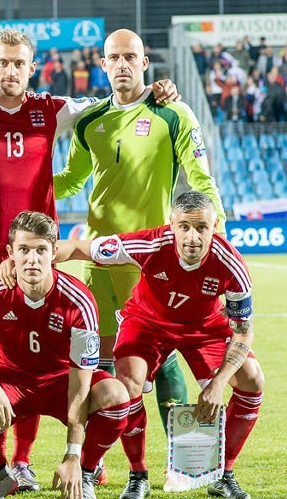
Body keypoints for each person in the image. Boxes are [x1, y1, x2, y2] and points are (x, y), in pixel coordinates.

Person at [0, 28, 176, 492]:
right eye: (3, 62)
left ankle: (23, 462)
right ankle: (2, 468)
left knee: (39, 349)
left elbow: (115, 104)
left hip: (39, 251)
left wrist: (155, 93)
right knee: (0, 357)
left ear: (30, 67)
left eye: (19, 63)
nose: (11, 70)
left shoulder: (51, 110)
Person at [54, 28, 226, 442]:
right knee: (105, 360)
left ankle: (183, 458)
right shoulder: (90, 120)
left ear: (145, 63)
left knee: (161, 361)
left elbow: (201, 178)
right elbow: (70, 181)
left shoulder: (174, 114)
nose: (122, 64)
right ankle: (100, 461)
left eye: (131, 57)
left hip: (150, 257)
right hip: (98, 254)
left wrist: (215, 234)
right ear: (103, 65)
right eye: (114, 57)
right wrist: (7, 181)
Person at [53, 190, 264, 499]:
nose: (193, 237)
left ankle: (223, 474)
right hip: (147, 322)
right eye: (184, 227)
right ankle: (137, 475)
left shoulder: (230, 263)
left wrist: (218, 383)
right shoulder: (149, 243)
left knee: (252, 379)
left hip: (204, 327)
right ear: (171, 223)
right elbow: (75, 248)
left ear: (215, 225)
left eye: (202, 228)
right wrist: (27, 255)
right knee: (128, 384)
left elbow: (242, 333)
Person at [0, 211, 129, 499]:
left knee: (115, 394)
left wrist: (72, 453)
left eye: (41, 250)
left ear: (54, 253)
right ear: (10, 253)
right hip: (10, 380)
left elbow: (81, 383)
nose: (32, 259)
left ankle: (83, 474)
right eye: (24, 250)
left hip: (62, 382)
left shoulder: (79, 299)